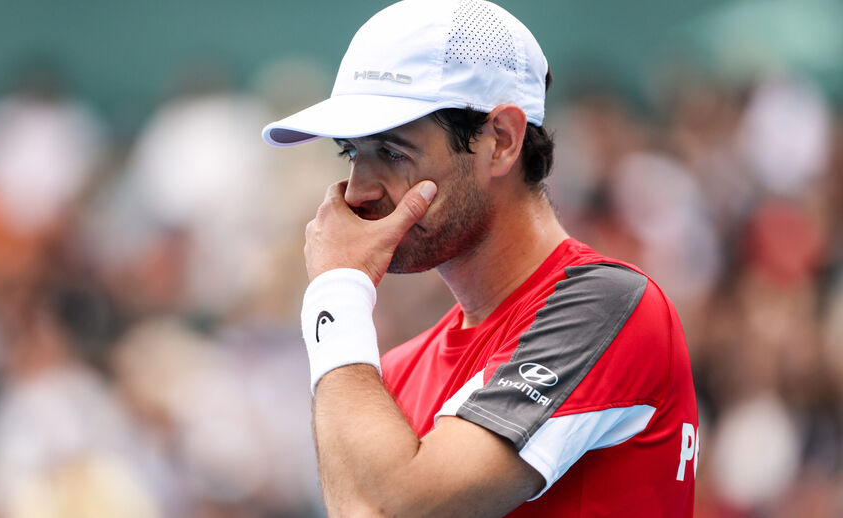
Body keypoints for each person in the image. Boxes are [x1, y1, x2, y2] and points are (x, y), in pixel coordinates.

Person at [261, 0, 698, 516]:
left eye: (393, 152)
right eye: (352, 153)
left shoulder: (611, 306)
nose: (356, 192)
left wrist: (336, 290)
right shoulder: (390, 376)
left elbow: (388, 509)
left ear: (502, 141)